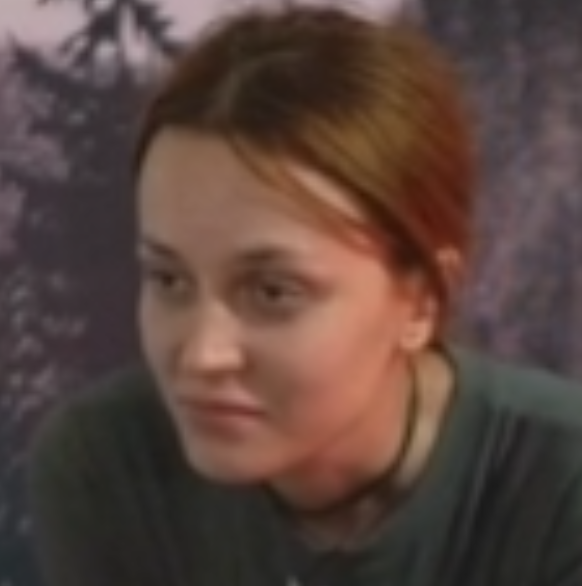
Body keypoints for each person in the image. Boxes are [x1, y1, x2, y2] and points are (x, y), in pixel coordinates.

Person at [27, 3, 582, 586]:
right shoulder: (106, 467)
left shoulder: (560, 483)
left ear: (422, 298)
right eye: (169, 280)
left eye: (272, 292)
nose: (201, 355)